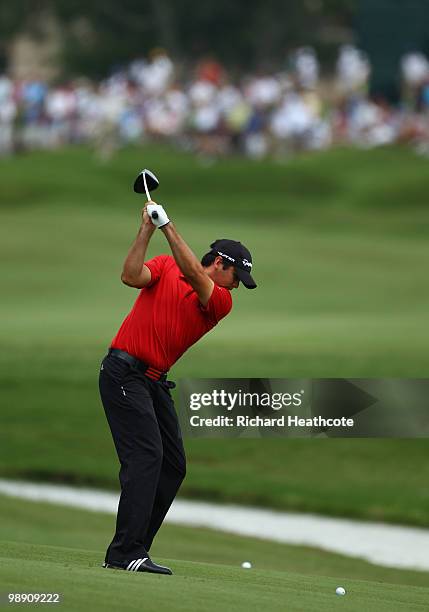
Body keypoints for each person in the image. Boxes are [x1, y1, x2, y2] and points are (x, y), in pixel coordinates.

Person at [99, 200, 256, 574]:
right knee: (146, 456)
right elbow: (131, 276)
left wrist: (167, 225)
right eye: (237, 276)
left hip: (153, 382)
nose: (238, 286)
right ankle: (124, 553)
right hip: (123, 373)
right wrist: (147, 229)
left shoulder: (220, 300)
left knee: (172, 464)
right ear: (220, 263)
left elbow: (191, 271)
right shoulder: (166, 266)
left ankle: (134, 548)